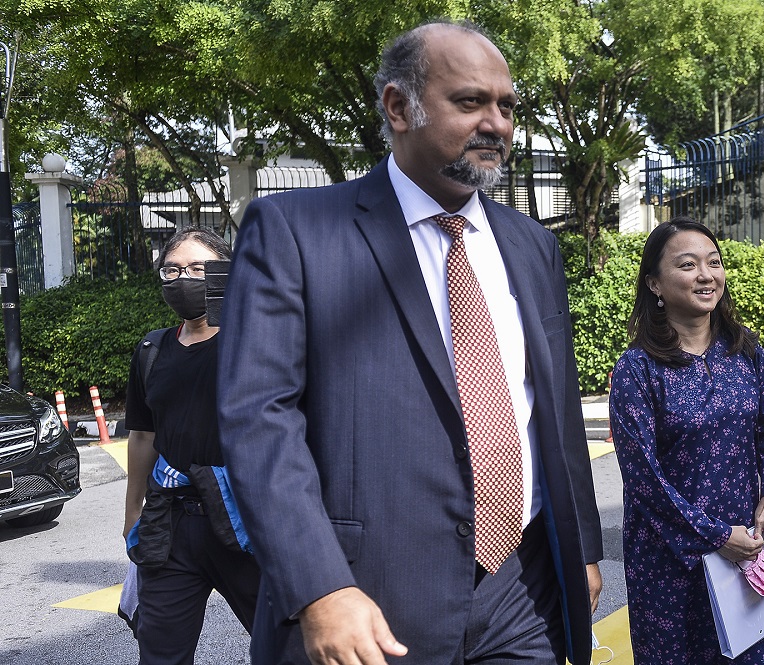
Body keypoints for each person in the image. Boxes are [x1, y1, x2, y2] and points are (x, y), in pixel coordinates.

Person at [216, 20, 604, 665]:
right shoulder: (295, 231)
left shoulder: (532, 245)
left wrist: (582, 548)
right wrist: (320, 587)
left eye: (507, 106)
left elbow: (555, 412)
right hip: (370, 599)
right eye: (470, 101)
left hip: (525, 590)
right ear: (399, 106)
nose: (497, 124)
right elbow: (258, 418)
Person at [609, 217, 764, 664]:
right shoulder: (638, 370)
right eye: (688, 265)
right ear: (655, 283)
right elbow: (644, 481)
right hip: (669, 562)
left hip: (747, 545)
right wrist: (714, 536)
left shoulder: (744, 349)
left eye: (714, 262)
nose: (706, 275)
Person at [123, 227, 260, 664]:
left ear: (226, 272)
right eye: (173, 269)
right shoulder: (152, 349)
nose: (184, 278)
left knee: (290, 644)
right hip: (171, 523)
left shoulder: (255, 341)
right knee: (160, 652)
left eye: (199, 268)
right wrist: (132, 514)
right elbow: (143, 435)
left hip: (248, 521)